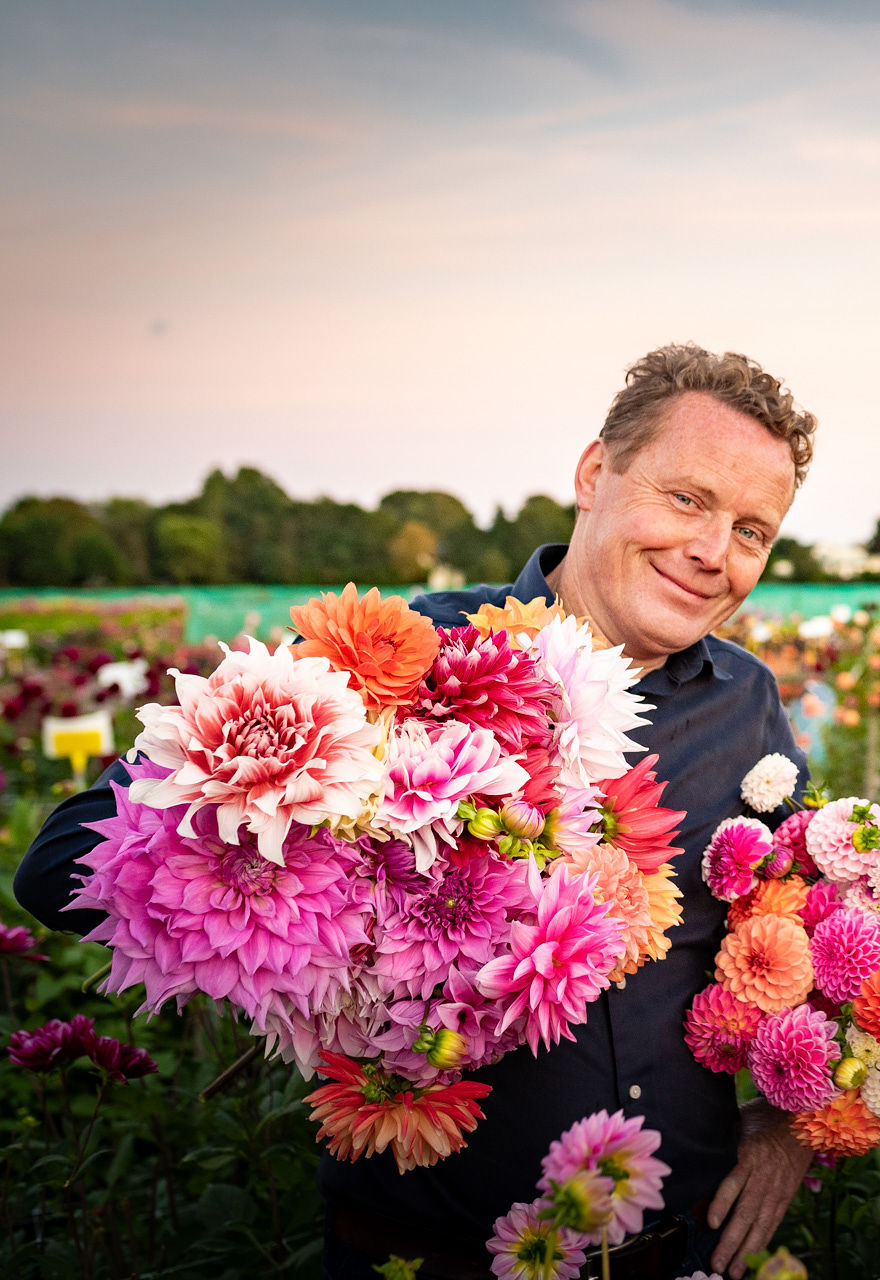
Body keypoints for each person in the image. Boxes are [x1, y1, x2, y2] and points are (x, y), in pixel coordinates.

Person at [14, 344, 821, 1280]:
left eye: (752, 531)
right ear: (596, 474)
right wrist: (321, 891)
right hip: (432, 1258)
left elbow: (794, 930)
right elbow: (59, 863)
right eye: (687, 499)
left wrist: (784, 1122)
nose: (713, 552)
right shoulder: (392, 659)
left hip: (681, 1255)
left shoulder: (749, 704)